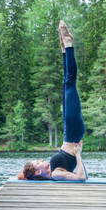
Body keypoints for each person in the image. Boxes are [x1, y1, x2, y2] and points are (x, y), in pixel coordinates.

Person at [18, 20, 87, 181]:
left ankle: (64, 50)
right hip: (73, 132)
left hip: (67, 132)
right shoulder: (56, 174)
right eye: (38, 163)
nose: (41, 160)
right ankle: (68, 44)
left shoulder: (52, 169)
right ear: (37, 172)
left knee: (66, 83)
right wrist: (78, 155)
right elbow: (81, 178)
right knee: (70, 82)